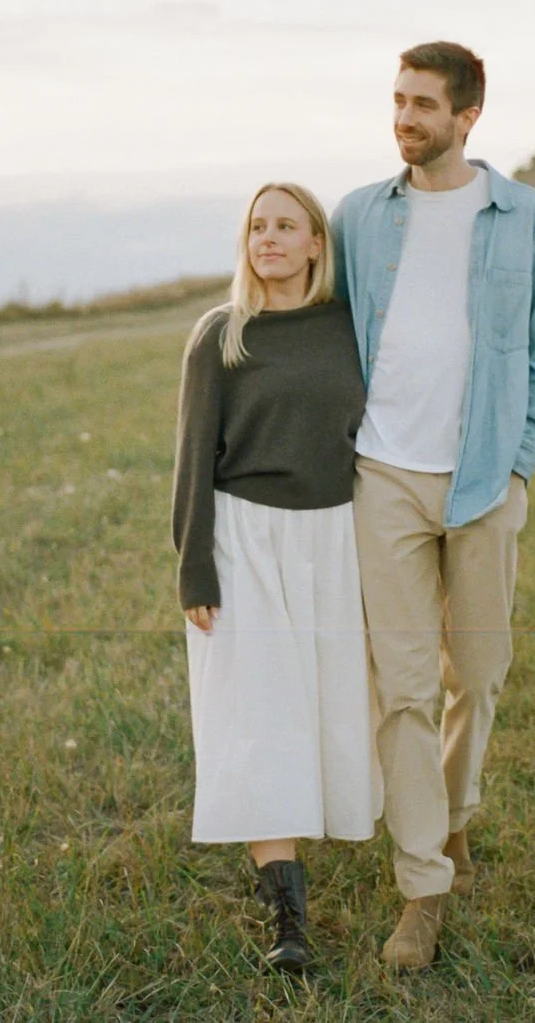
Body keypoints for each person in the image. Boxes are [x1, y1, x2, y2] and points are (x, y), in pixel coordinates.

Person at [331, 41, 535, 970]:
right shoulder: (359, 217)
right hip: (381, 478)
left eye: (423, 105)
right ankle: (422, 887)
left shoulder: (527, 219)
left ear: (468, 116)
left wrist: (517, 467)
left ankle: (456, 813)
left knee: (478, 676)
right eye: (397, 100)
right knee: (403, 692)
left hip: (482, 483)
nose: (404, 118)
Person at [171, 181, 381, 974]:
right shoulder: (221, 334)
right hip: (243, 538)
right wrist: (195, 567)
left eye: (286, 225)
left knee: (325, 710)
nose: (268, 238)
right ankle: (287, 921)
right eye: (257, 226)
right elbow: (193, 457)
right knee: (258, 715)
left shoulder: (350, 328)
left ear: (317, 244)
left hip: (333, 536)